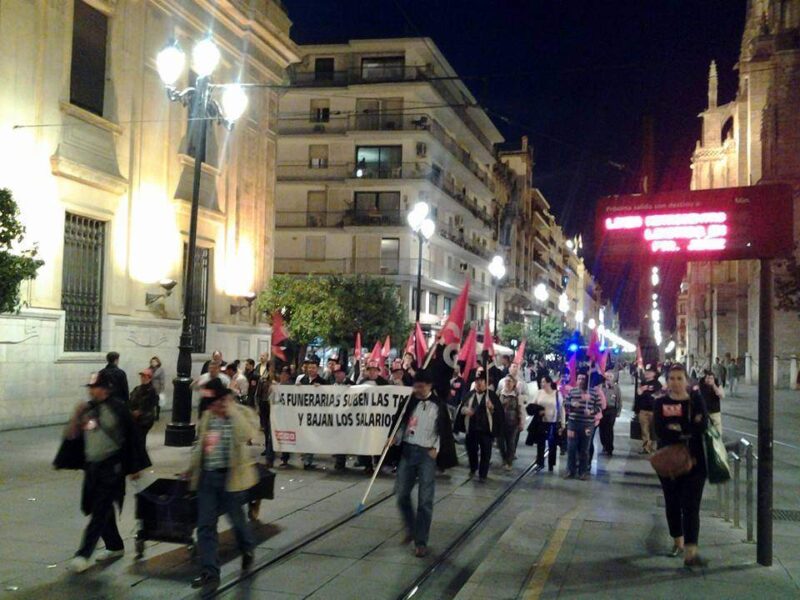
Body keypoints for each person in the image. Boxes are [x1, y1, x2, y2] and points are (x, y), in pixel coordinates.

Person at [64, 371, 151, 573]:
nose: (91, 390)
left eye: (94, 387)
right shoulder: (88, 409)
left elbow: (132, 438)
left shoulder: (119, 408)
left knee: (100, 508)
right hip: (93, 467)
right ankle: (115, 546)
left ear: (104, 389)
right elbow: (73, 435)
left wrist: (134, 467)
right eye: (90, 387)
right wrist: (76, 418)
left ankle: (83, 554)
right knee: (99, 508)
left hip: (112, 468)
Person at [188, 378, 259, 592]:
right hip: (208, 477)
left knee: (237, 520)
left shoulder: (241, 413)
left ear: (224, 398)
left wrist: (231, 412)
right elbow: (201, 445)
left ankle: (247, 548)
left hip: (232, 478)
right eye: (209, 403)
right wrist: (191, 469)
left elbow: (246, 434)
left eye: (215, 402)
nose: (212, 407)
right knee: (206, 525)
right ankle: (210, 572)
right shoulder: (208, 416)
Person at [391, 370, 457, 557]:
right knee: (401, 494)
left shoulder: (439, 406)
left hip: (427, 454)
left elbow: (443, 429)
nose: (417, 389)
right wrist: (394, 438)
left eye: (421, 386)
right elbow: (401, 423)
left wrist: (436, 447)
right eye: (416, 386)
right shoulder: (409, 402)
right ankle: (412, 528)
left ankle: (421, 541)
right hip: (408, 451)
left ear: (429, 386)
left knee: (425, 500)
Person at [654, 364, 708, 567]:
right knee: (673, 502)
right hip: (669, 461)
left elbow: (702, 425)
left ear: (687, 380)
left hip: (696, 461)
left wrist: (679, 428)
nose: (675, 382)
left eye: (679, 378)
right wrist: (686, 429)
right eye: (672, 378)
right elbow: (660, 430)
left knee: (691, 506)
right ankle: (678, 540)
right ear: (667, 381)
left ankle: (691, 553)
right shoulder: (660, 402)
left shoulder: (695, 400)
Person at [455, 370, 498, 481]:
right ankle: (473, 467)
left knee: (486, 452)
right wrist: (466, 410)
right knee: (471, 449)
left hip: (486, 429)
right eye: (477, 381)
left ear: (486, 382)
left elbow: (498, 413)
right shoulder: (469, 395)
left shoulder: (491, 396)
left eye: (481, 381)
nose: (479, 383)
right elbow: (461, 408)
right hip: (472, 428)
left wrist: (492, 408)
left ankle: (483, 474)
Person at [564, 371, 602, 480]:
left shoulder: (594, 393)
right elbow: (565, 403)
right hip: (573, 423)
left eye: (583, 379)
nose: (580, 381)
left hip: (587, 424)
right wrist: (571, 404)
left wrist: (591, 411)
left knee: (584, 449)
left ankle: (583, 471)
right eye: (579, 378)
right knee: (571, 448)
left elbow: (599, 407)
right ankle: (570, 470)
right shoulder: (572, 391)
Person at [530, 375, 564, 471]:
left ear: (549, 383)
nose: (542, 384)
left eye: (544, 382)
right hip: (541, 422)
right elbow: (532, 406)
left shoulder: (557, 394)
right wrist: (537, 411)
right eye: (541, 382)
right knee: (540, 443)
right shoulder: (539, 393)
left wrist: (563, 423)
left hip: (553, 422)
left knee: (552, 444)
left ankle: (551, 464)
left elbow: (561, 409)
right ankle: (540, 462)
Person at [634, 365, 662, 454]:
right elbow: (638, 396)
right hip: (643, 410)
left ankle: (652, 446)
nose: (647, 373)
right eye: (646, 372)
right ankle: (646, 447)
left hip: (654, 411)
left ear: (654, 374)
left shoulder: (657, 384)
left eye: (649, 372)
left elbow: (659, 396)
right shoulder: (642, 383)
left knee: (654, 430)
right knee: (644, 430)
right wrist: (636, 409)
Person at [498, 375, 524, 470]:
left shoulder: (517, 396)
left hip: (513, 422)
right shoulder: (500, 393)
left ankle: (509, 462)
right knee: (500, 442)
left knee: (511, 442)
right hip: (501, 421)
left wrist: (521, 422)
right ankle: (504, 458)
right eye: (506, 381)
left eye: (509, 381)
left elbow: (521, 409)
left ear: (513, 384)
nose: (507, 383)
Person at [128, 368, 158, 446]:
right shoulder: (137, 388)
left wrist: (139, 411)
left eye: (145, 376)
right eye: (142, 376)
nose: (142, 378)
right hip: (135, 418)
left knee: (140, 438)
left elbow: (149, 404)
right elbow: (131, 400)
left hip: (145, 419)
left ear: (150, 378)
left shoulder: (151, 390)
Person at [599, 371, 622, 456]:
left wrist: (618, 411)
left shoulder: (616, 388)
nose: (608, 378)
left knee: (609, 429)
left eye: (610, 377)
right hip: (602, 410)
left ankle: (609, 447)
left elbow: (619, 400)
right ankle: (604, 445)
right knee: (602, 429)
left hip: (611, 410)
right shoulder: (601, 387)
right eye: (606, 376)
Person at [697, 370, 724, 435]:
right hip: (704, 412)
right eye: (707, 378)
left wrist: (713, 385)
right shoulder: (701, 383)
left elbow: (721, 396)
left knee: (718, 433)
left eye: (711, 378)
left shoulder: (717, 383)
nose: (709, 380)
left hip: (715, 411)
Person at [149, 356, 165, 421]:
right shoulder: (149, 369)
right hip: (150, 388)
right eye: (152, 362)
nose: (153, 363)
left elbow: (162, 380)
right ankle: (152, 415)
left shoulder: (160, 370)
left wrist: (161, 389)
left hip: (157, 388)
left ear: (158, 362)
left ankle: (157, 415)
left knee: (157, 403)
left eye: (155, 361)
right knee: (151, 403)